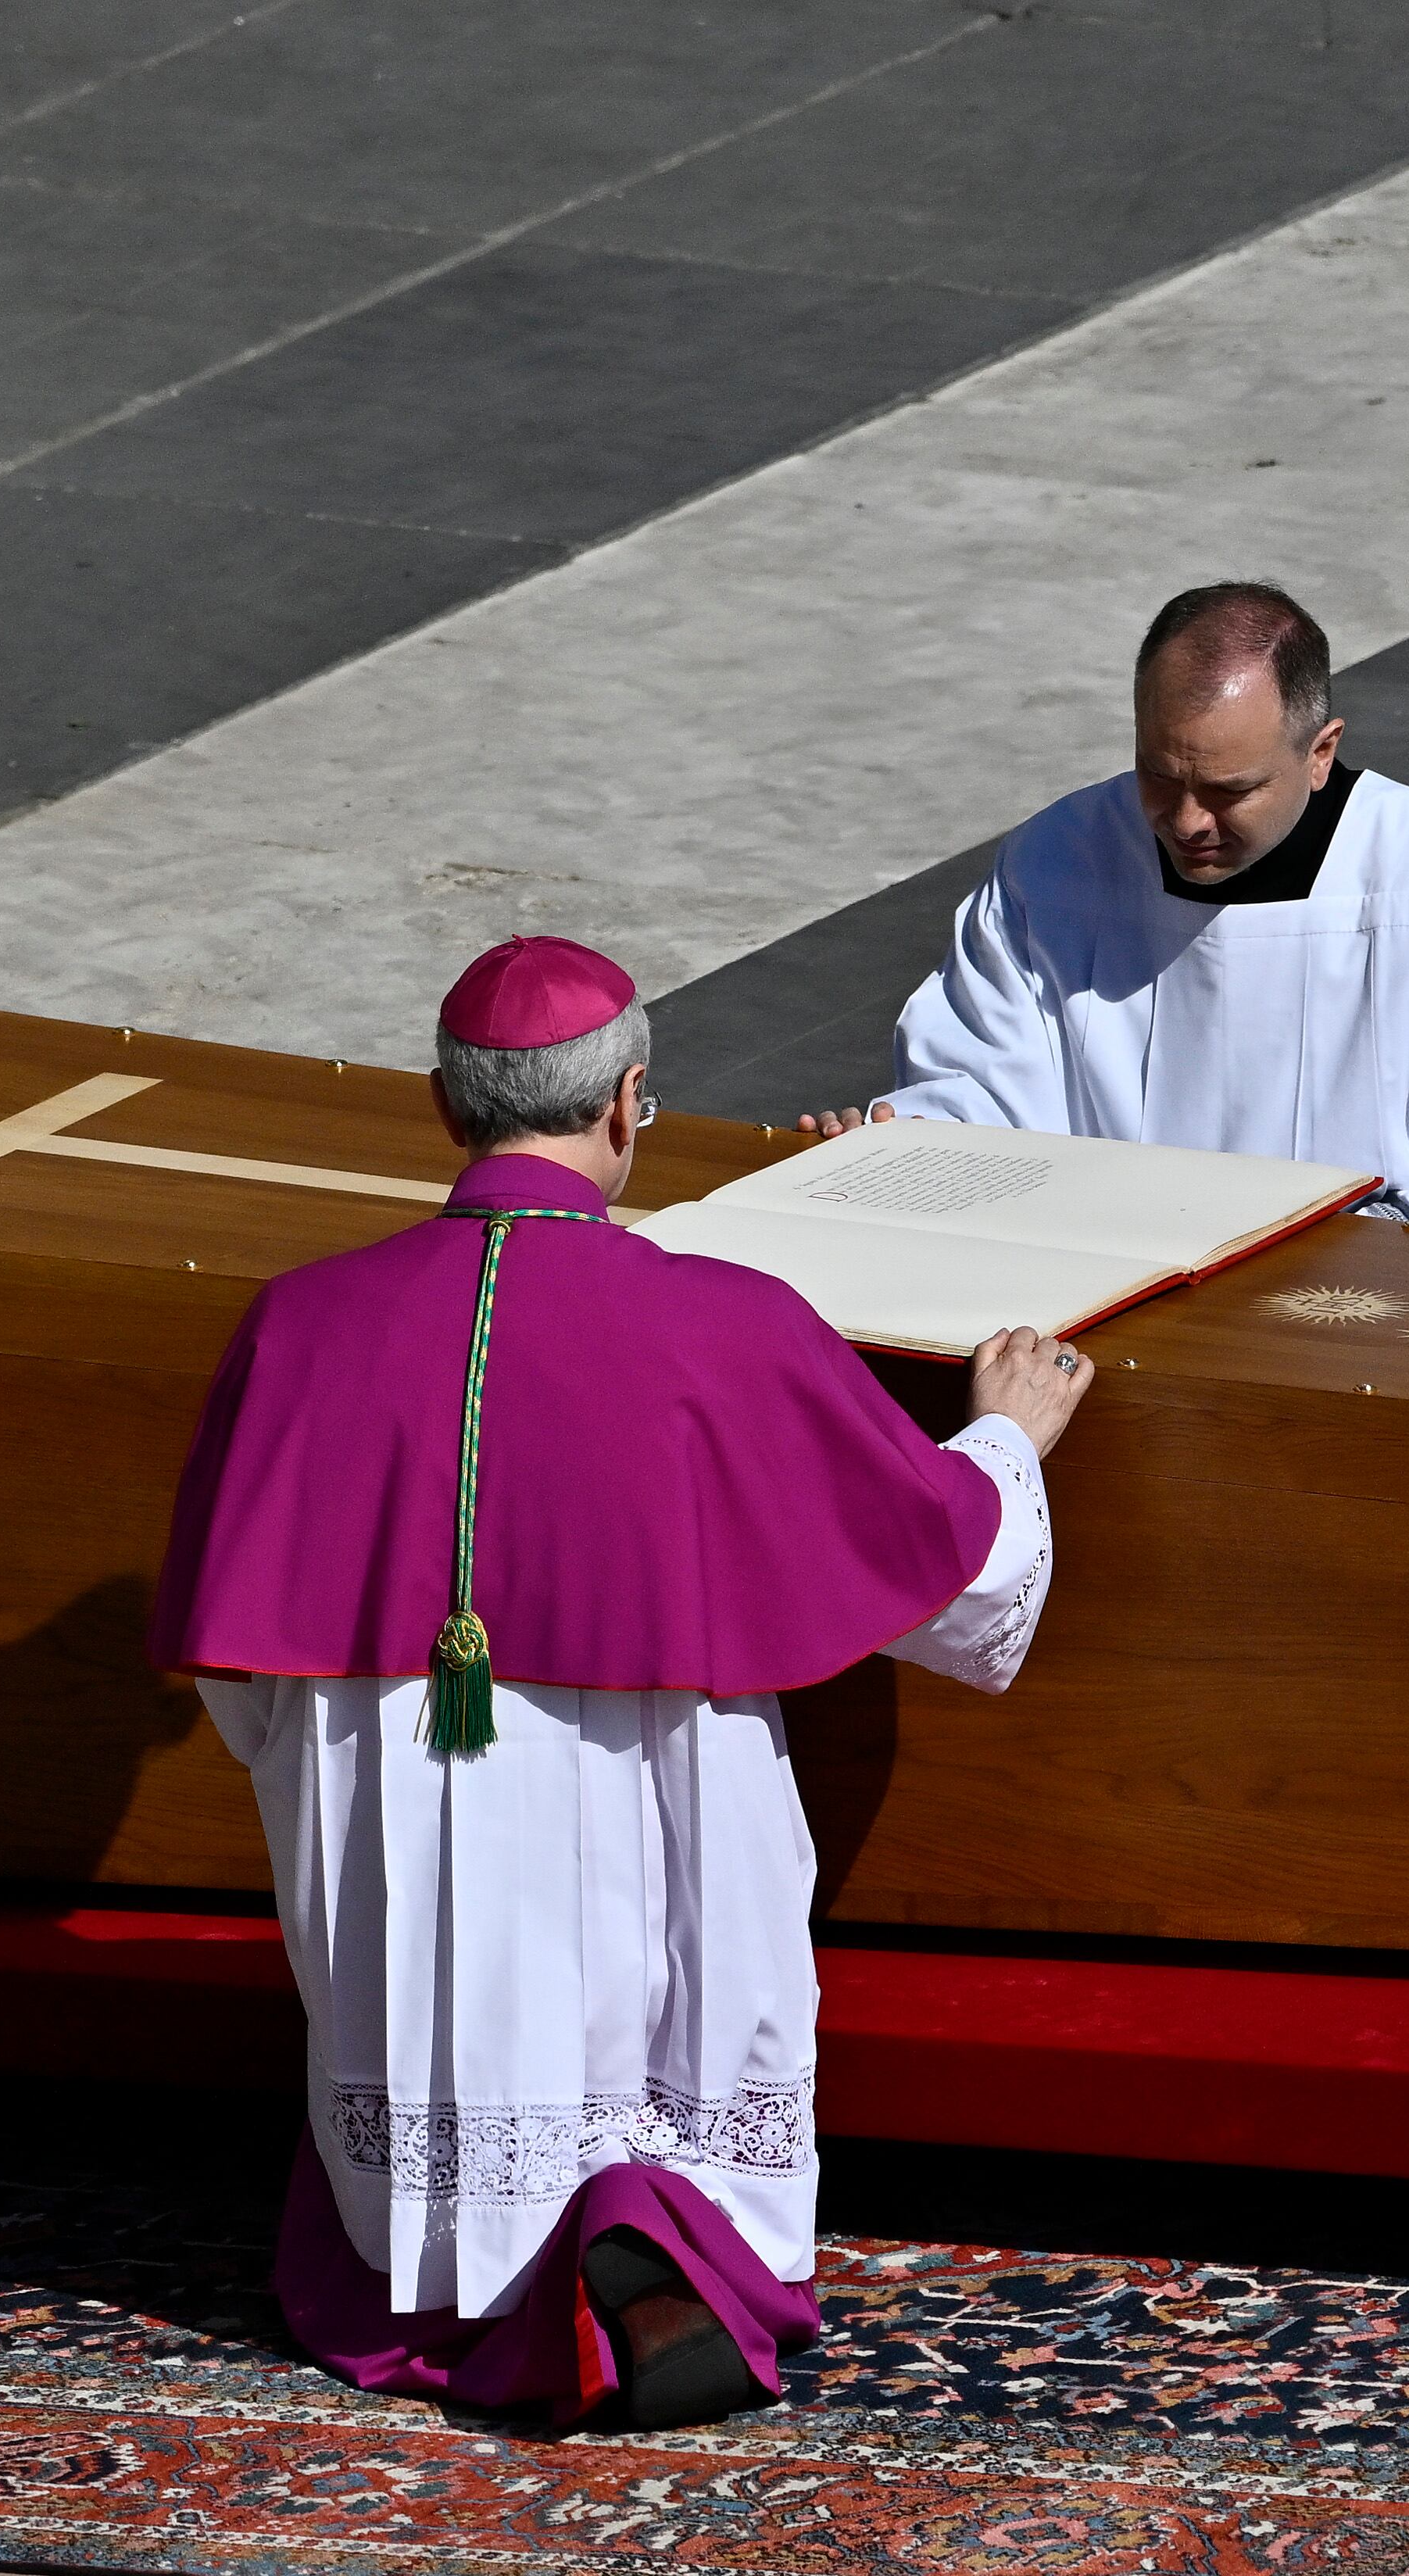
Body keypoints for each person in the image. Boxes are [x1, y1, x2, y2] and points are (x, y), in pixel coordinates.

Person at [152, 935, 1090, 2428]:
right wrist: (1004, 1441)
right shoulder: (726, 1325)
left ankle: (455, 2262)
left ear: (442, 1105)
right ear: (629, 1103)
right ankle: (651, 2245)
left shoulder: (300, 1326)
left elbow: (241, 1674)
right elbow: (939, 1565)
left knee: (437, 2005)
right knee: (658, 2000)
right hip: (653, 1795)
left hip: (406, 1803)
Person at [805, 581, 1409, 1244]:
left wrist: (1314, 1278)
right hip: (1099, 1298)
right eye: (1159, 775)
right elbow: (983, 1088)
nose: (1188, 820)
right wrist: (902, 1144)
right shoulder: (1055, 865)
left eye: (1230, 790)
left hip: (1354, 1322)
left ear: (1319, 752)